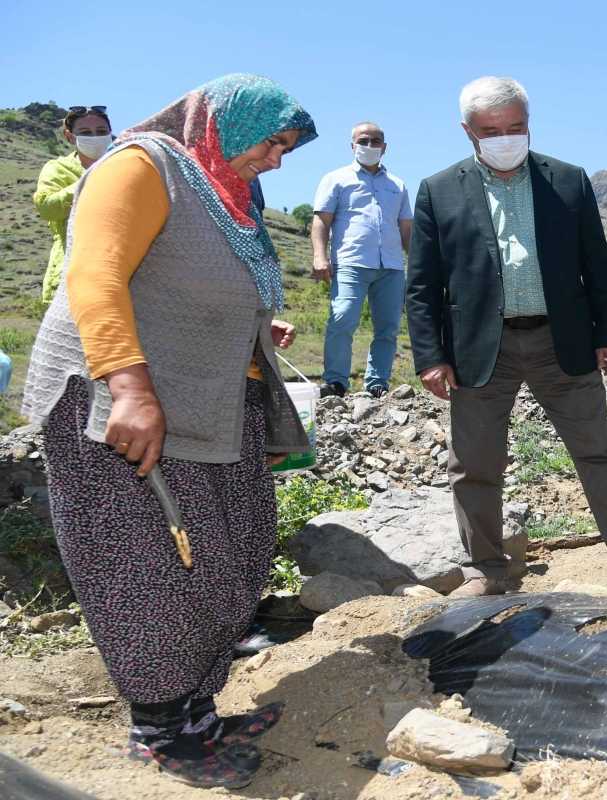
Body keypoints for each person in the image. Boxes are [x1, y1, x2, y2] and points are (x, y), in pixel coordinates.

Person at [22, 74, 316, 789]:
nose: (276, 160)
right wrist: (128, 384)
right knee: (145, 570)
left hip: (207, 398)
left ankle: (196, 716)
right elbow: (95, 275)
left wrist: (252, 326)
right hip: (119, 401)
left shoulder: (228, 192)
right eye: (271, 143)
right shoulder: (142, 165)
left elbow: (196, 280)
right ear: (227, 125)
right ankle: (159, 733)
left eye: (287, 149)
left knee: (227, 555)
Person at [407, 77, 607, 599]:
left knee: (600, 455)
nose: (505, 138)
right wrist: (430, 355)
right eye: (491, 130)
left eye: (515, 127)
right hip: (480, 349)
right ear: (466, 131)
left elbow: (598, 266)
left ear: (528, 122)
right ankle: (487, 573)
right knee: (474, 464)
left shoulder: (567, 180)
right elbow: (424, 284)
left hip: (561, 343)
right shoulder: (438, 189)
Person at [312, 122, 413, 398]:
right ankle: (336, 381)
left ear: (384, 146)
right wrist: (320, 256)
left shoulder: (398, 185)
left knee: (388, 327)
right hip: (350, 263)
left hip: (391, 267)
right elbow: (321, 220)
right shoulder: (336, 179)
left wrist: (418, 263)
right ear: (352, 145)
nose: (369, 145)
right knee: (342, 319)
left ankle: (378, 382)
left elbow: (406, 229)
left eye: (375, 141)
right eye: (363, 140)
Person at [33, 106, 113, 302]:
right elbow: (47, 208)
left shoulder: (125, 165)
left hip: (117, 277)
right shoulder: (57, 169)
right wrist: (90, 180)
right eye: (85, 133)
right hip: (69, 279)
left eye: (101, 132)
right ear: (70, 137)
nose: (95, 137)